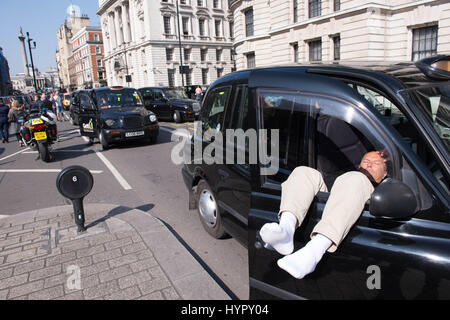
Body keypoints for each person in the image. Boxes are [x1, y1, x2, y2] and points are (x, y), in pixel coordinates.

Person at [260, 150, 388, 279]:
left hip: (355, 206)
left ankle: (313, 253)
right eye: (366, 161)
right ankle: (286, 230)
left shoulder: (385, 190)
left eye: (376, 163)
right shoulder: (347, 177)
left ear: (385, 174)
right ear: (359, 166)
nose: (369, 164)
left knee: (357, 178)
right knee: (303, 171)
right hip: (329, 198)